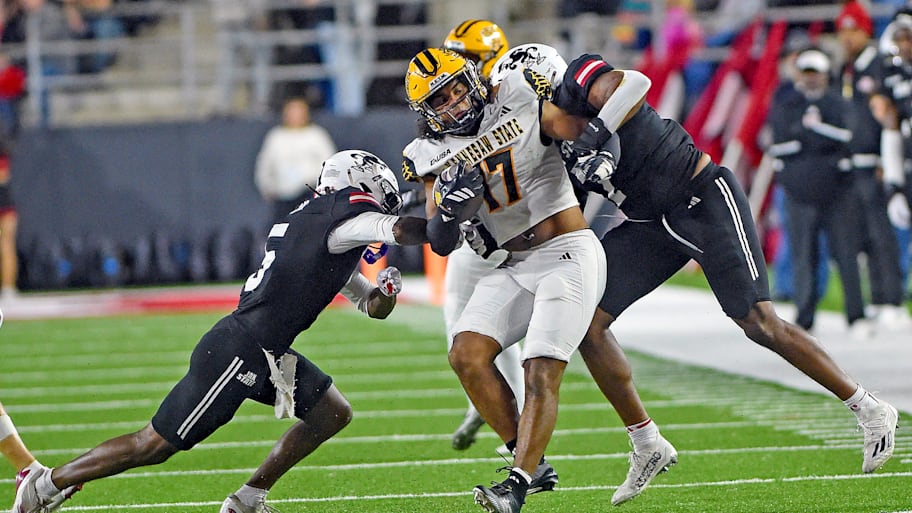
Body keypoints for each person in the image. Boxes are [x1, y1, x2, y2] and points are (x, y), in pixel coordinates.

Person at [549, 49, 898, 498]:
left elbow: (634, 84)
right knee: (588, 321)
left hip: (701, 197)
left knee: (759, 321)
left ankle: (868, 408)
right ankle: (646, 441)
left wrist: (595, 133)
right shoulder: (542, 138)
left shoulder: (580, 83)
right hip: (648, 222)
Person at [11, 150, 431, 513]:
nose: (382, 207)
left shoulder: (320, 232)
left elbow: (370, 305)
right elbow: (397, 229)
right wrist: (443, 219)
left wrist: (387, 293)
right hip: (241, 348)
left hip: (264, 350)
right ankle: (46, 484)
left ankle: (248, 498)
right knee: (153, 445)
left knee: (331, 412)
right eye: (381, 199)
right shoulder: (338, 222)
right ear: (358, 187)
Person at [403, 47, 662, 513]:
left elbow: (587, 132)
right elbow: (439, 241)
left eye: (460, 88)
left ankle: (517, 486)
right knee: (466, 353)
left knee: (540, 368)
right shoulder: (428, 154)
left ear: (474, 79)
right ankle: (532, 460)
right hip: (514, 264)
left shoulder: (519, 96)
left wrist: (595, 158)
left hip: (567, 251)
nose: (458, 103)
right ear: (427, 114)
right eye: (443, 100)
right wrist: (450, 208)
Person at [439, 19, 525, 451]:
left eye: (466, 60)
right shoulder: (458, 102)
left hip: (509, 226)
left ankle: (516, 411)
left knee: (496, 321)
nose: (456, 71)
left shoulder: (511, 98)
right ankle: (484, 394)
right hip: (476, 229)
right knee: (459, 315)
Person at [766, 48, 869, 335]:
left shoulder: (838, 102)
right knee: (803, 254)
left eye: (816, 73)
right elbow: (778, 143)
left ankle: (856, 315)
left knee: (846, 252)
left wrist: (813, 132)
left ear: (825, 75)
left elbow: (850, 136)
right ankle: (805, 314)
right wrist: (812, 138)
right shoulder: (787, 103)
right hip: (800, 192)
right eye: (807, 73)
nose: (811, 79)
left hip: (838, 191)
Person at [837, 0, 910, 329]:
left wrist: (886, 159)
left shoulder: (880, 64)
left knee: (883, 236)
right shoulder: (847, 68)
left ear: (865, 30)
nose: (846, 37)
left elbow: (889, 118)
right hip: (853, 164)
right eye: (842, 31)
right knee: (863, 237)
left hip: (878, 161)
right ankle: (877, 298)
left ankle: (892, 298)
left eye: (852, 29)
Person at [255, 96, 337, 226]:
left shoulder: (316, 135)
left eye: (299, 111)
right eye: (291, 111)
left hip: (309, 194)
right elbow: (265, 164)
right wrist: (267, 186)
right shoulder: (276, 136)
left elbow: (329, 164)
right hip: (282, 196)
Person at [0, 138, 18, 301]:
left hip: (4, 204)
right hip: (6, 202)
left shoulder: (3, 151)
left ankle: (8, 288)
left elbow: (3, 177)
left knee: (6, 245)